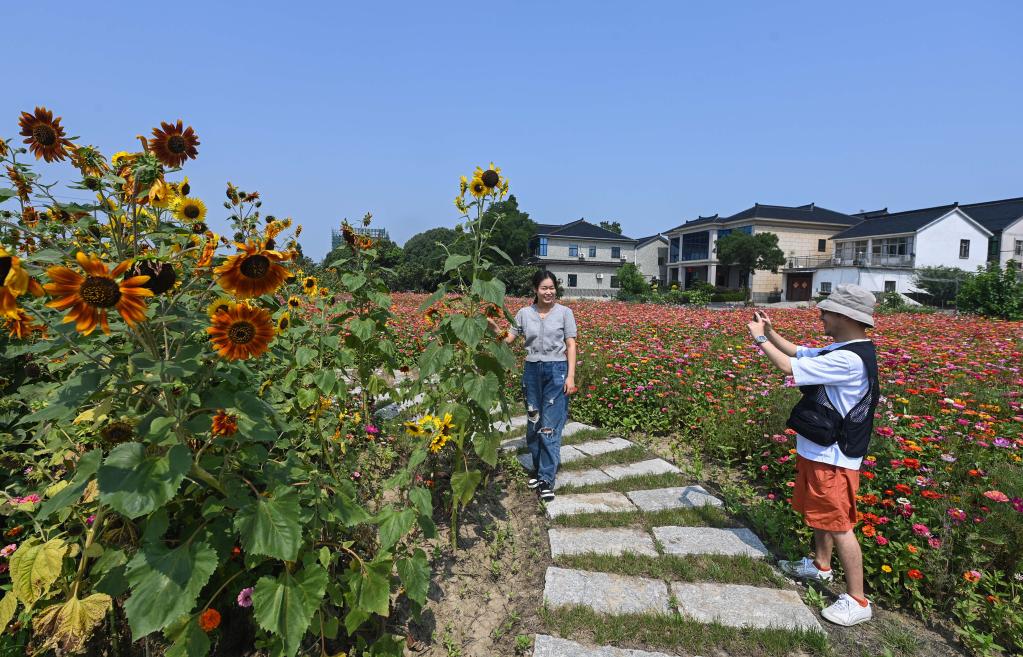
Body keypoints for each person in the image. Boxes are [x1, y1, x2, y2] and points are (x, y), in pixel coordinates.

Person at [746, 284, 880, 627]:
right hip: (821, 449)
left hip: (834, 455)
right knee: (822, 515)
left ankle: (857, 599)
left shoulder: (849, 360)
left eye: (826, 311)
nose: (820, 315)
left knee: (839, 524)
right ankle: (821, 567)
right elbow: (799, 352)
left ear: (843, 316)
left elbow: (789, 368)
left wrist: (760, 340)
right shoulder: (845, 348)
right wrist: (773, 333)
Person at [489, 270, 577, 502]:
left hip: (557, 372)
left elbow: (571, 345)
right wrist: (492, 327)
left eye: (551, 288)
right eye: (544, 288)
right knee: (533, 422)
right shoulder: (524, 314)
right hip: (531, 371)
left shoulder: (565, 313)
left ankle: (547, 478)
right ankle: (539, 470)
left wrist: (571, 376)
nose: (549, 292)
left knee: (549, 426)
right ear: (535, 290)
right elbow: (508, 339)